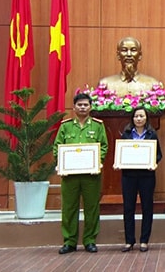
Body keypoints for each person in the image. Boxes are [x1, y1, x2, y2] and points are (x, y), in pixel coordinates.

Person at [54, 93, 108, 254]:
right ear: (74, 107)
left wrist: (98, 161)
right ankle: (69, 241)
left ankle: (90, 240)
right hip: (70, 176)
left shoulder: (98, 126)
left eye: (85, 105)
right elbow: (57, 147)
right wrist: (60, 163)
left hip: (91, 175)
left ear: (90, 107)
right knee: (69, 208)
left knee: (91, 208)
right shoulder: (65, 126)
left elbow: (103, 146)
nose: (83, 107)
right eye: (80, 105)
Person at [117, 106, 162, 253]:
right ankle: (129, 241)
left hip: (146, 176)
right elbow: (121, 153)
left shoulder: (152, 134)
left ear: (146, 118)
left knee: (147, 207)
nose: (139, 119)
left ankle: (144, 240)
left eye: (141, 116)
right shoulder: (126, 134)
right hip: (128, 176)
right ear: (132, 118)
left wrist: (153, 163)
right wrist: (119, 162)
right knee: (128, 208)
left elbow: (158, 155)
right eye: (136, 116)